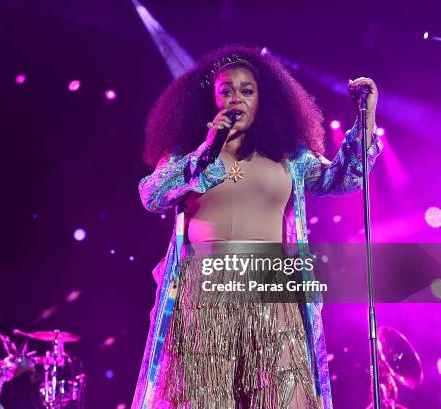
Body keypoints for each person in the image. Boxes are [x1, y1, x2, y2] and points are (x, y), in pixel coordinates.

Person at [132, 44, 383, 409]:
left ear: (262, 99)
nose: (237, 98)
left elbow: (342, 178)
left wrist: (366, 117)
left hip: (272, 290)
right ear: (211, 100)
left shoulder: (290, 154)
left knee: (285, 398)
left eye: (247, 90)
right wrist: (207, 150)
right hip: (204, 295)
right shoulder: (187, 153)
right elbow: (152, 196)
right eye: (226, 91)